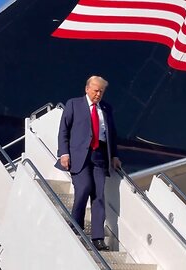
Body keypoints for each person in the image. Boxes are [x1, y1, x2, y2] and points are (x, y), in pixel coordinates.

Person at [57, 75, 121, 251]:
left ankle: (98, 238)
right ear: (87, 89)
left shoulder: (106, 109)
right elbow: (64, 130)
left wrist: (114, 155)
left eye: (101, 91)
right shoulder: (74, 104)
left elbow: (112, 135)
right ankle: (75, 224)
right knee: (84, 187)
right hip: (79, 156)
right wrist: (64, 153)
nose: (98, 94)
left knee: (99, 195)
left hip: (99, 155)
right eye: (95, 90)